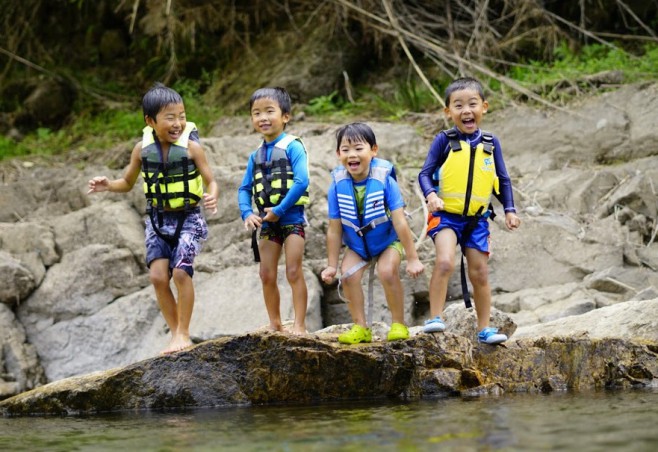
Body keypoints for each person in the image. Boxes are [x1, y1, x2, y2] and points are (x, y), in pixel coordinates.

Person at [87, 82, 219, 354]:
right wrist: (107, 185)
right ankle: (175, 335)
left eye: (181, 116)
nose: (178, 123)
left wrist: (212, 196)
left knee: (181, 272)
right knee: (158, 277)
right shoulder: (141, 150)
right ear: (150, 121)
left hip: (189, 217)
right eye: (170, 117)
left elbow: (211, 180)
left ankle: (184, 333)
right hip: (157, 220)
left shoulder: (193, 148)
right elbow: (126, 181)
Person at [418, 76, 521, 345]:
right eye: (458, 105)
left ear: (484, 107)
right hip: (446, 216)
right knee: (444, 262)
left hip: (477, 220)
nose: (466, 111)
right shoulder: (444, 140)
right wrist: (430, 195)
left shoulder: (491, 142)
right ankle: (435, 318)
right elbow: (425, 173)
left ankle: (484, 328)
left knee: (480, 273)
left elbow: (503, 180)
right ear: (448, 112)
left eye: (472, 104)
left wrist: (509, 209)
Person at [321, 122, 425, 344]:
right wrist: (331, 265)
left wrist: (413, 258)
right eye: (346, 150)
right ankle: (361, 327)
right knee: (348, 275)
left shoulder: (385, 181)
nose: (352, 155)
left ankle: (398, 323)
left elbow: (399, 222)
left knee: (386, 271)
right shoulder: (337, 186)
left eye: (359, 148)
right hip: (358, 245)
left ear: (373, 150)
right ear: (338, 154)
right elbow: (334, 229)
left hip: (388, 240)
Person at [238, 87, 309, 335]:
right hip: (268, 223)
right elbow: (245, 188)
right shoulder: (255, 155)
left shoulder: (293, 146)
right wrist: (247, 212)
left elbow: (302, 181)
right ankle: (275, 324)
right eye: (256, 113)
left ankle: (299, 325)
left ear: (285, 116)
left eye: (269, 111)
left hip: (292, 219)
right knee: (266, 273)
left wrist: (279, 209)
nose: (263, 118)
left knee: (292, 270)